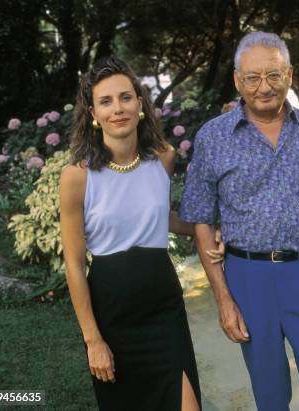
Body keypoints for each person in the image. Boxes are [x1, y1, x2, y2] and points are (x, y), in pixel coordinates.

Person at [179, 32, 299, 411]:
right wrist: (223, 298)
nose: (264, 87)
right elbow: (202, 224)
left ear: (290, 75)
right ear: (236, 80)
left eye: (274, 75)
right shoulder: (213, 138)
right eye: (253, 77)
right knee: (271, 397)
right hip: (248, 279)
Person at [59, 56, 223, 411]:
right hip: (112, 314)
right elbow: (73, 263)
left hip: (164, 307)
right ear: (92, 113)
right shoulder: (77, 176)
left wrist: (207, 230)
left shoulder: (163, 158)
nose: (117, 108)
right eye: (106, 101)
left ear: (140, 105)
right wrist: (93, 341)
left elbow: (161, 218)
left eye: (125, 97)